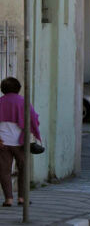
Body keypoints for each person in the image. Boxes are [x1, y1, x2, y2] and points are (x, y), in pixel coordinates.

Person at [0, 77, 41, 207]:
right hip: (21, 142)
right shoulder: (24, 102)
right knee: (23, 170)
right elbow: (34, 119)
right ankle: (22, 198)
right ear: (18, 88)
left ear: (2, 89)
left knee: (4, 171)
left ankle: (8, 199)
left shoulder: (0, 102)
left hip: (3, 143)